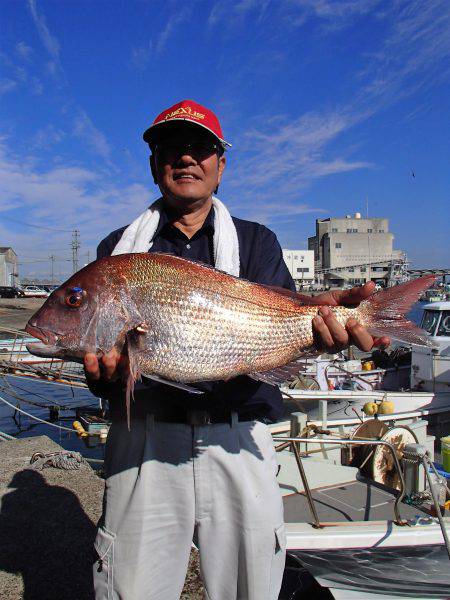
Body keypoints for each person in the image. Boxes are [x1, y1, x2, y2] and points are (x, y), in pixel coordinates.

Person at [84, 99, 389, 600]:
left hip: (238, 439)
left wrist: (329, 330)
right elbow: (103, 374)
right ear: (153, 164)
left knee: (250, 589)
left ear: (220, 165)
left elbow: (287, 326)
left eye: (200, 148)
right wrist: (103, 370)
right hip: (144, 444)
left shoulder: (256, 243)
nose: (186, 158)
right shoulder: (118, 250)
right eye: (171, 148)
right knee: (127, 588)